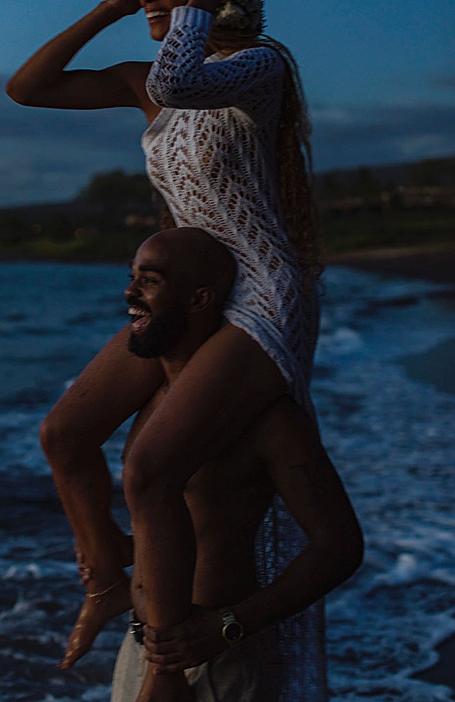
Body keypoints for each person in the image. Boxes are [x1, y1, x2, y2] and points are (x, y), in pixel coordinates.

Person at [6, 0, 323, 702]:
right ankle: (109, 578)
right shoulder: (142, 80)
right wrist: (112, 6)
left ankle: (169, 674)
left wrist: (193, 8)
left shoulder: (259, 65)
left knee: (150, 465)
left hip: (260, 298)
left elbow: (184, 80)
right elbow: (26, 88)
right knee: (66, 432)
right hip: (191, 297)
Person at [108, 229, 362, 701]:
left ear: (200, 297)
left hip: (218, 661)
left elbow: (339, 544)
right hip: (141, 648)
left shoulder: (266, 417)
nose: (129, 293)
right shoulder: (155, 401)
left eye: (149, 281)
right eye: (132, 279)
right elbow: (186, 520)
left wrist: (228, 627)